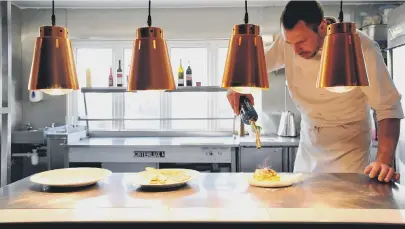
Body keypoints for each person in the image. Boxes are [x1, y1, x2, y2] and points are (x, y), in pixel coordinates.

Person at [227, 1, 404, 182]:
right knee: (303, 204)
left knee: (345, 204)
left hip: (349, 148)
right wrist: (236, 86)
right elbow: (251, 65)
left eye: (301, 41)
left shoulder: (361, 46)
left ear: (321, 27)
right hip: (309, 146)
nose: (295, 50)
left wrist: (383, 160)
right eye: (290, 43)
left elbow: (388, 107)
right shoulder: (288, 43)